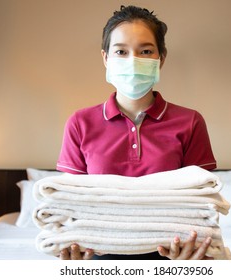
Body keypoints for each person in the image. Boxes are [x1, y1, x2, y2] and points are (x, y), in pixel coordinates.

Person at [56, 5, 216, 260]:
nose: (132, 60)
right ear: (106, 58)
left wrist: (190, 256)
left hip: (171, 255)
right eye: (121, 51)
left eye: (145, 51)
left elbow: (201, 202)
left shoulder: (190, 122)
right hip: (97, 255)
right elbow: (67, 203)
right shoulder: (80, 123)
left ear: (161, 58)